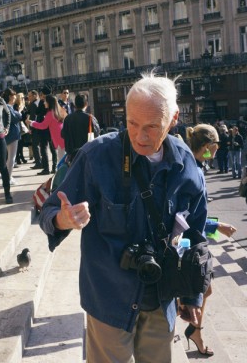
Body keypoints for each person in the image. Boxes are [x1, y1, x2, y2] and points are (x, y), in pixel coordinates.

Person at [40, 73, 208, 362]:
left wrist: (193, 294)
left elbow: (195, 230)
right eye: (132, 123)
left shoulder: (185, 162)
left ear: (174, 118)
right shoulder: (97, 155)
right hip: (109, 298)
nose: (140, 137)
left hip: (160, 297)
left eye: (152, 127)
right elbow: (49, 212)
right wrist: (63, 220)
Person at [183, 124, 238, 356]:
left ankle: (194, 330)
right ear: (206, 147)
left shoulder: (195, 167)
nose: (217, 151)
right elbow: (191, 219)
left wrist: (219, 226)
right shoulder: (192, 172)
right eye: (216, 147)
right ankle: (193, 330)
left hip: (192, 242)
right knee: (198, 293)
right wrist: (217, 226)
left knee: (204, 292)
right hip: (189, 245)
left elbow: (196, 215)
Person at [27, 94, 65, 168]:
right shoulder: (58, 110)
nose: (44, 103)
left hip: (60, 140)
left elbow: (43, 126)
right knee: (62, 161)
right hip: (62, 138)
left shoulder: (50, 113)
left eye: (45, 101)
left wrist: (31, 123)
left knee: (62, 163)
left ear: (49, 103)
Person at [61, 93, 100, 162]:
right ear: (86, 104)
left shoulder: (68, 119)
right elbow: (97, 134)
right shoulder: (90, 118)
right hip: (87, 154)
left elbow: (63, 134)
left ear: (75, 105)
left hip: (72, 156)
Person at [3, 88, 21, 185]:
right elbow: (16, 118)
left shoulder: (6, 106)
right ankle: (8, 178)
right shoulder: (8, 107)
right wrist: (20, 111)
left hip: (9, 134)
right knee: (11, 158)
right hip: (12, 134)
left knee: (9, 158)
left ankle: (8, 176)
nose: (15, 97)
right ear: (10, 97)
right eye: (14, 95)